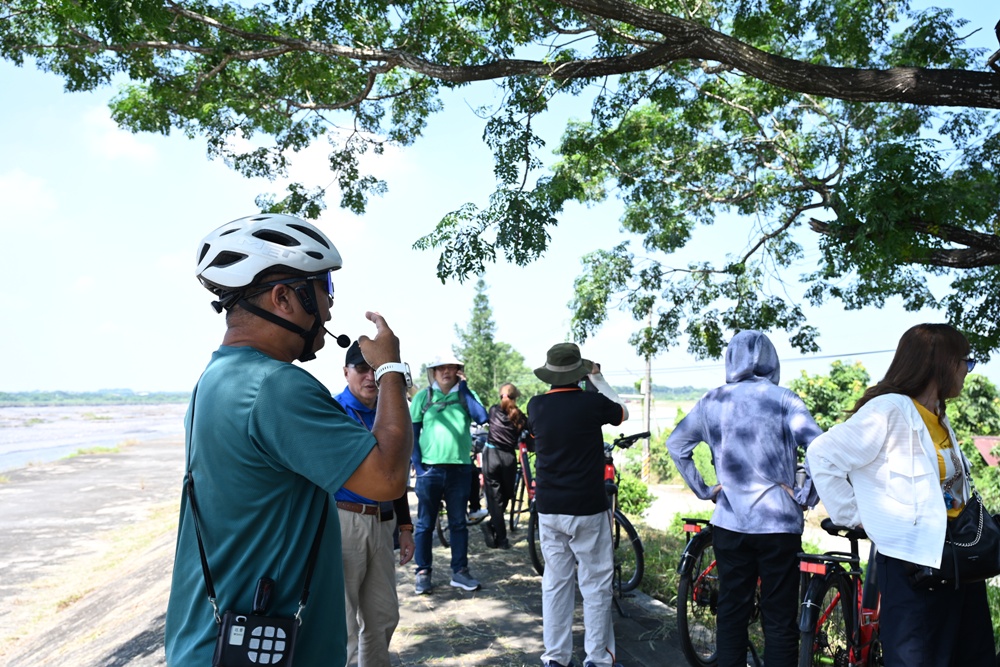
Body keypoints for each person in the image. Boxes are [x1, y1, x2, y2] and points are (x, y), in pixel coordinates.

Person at [164, 214, 413, 666]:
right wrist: (391, 370)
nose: (331, 309)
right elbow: (389, 477)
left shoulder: (214, 380)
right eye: (325, 289)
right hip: (267, 650)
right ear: (284, 298)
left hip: (213, 641)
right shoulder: (276, 386)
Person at [806, 323, 995, 667]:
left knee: (973, 656)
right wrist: (861, 517)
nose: (967, 372)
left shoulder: (937, 416)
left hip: (957, 562)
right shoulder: (890, 410)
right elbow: (823, 455)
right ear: (942, 363)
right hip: (915, 569)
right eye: (964, 362)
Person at [666, 330, 822, 667]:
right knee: (780, 620)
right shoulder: (784, 399)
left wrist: (704, 489)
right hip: (779, 525)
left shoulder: (713, 401)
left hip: (730, 522)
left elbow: (676, 445)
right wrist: (805, 494)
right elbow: (821, 448)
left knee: (731, 612)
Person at [527, 343, 629, 667]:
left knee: (555, 584)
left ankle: (554, 657)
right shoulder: (591, 403)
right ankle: (597, 658)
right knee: (596, 584)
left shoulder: (535, 406)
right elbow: (622, 412)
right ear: (579, 373)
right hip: (587, 507)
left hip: (550, 508)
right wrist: (597, 378)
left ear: (550, 376)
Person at [334, 341, 416, 667]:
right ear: (346, 372)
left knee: (383, 616)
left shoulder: (390, 413)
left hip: (383, 522)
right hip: (343, 522)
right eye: (361, 369)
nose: (369, 377)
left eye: (375, 370)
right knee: (344, 622)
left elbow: (396, 474)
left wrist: (406, 527)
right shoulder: (332, 411)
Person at [410, 353, 488, 594]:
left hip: (460, 469)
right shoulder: (423, 397)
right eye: (440, 368)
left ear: (458, 371)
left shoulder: (465, 395)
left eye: (451, 368)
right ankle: (423, 572)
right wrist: (419, 466)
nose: (446, 372)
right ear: (433, 372)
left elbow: (482, 416)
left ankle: (460, 572)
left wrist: (464, 388)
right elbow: (412, 434)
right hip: (430, 470)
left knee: (458, 524)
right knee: (424, 525)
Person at [480, 383, 528, 550]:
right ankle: (500, 536)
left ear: (501, 396)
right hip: (508, 457)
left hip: (491, 456)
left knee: (495, 499)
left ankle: (497, 532)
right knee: (507, 495)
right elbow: (530, 431)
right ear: (515, 398)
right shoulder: (520, 416)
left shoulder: (493, 410)